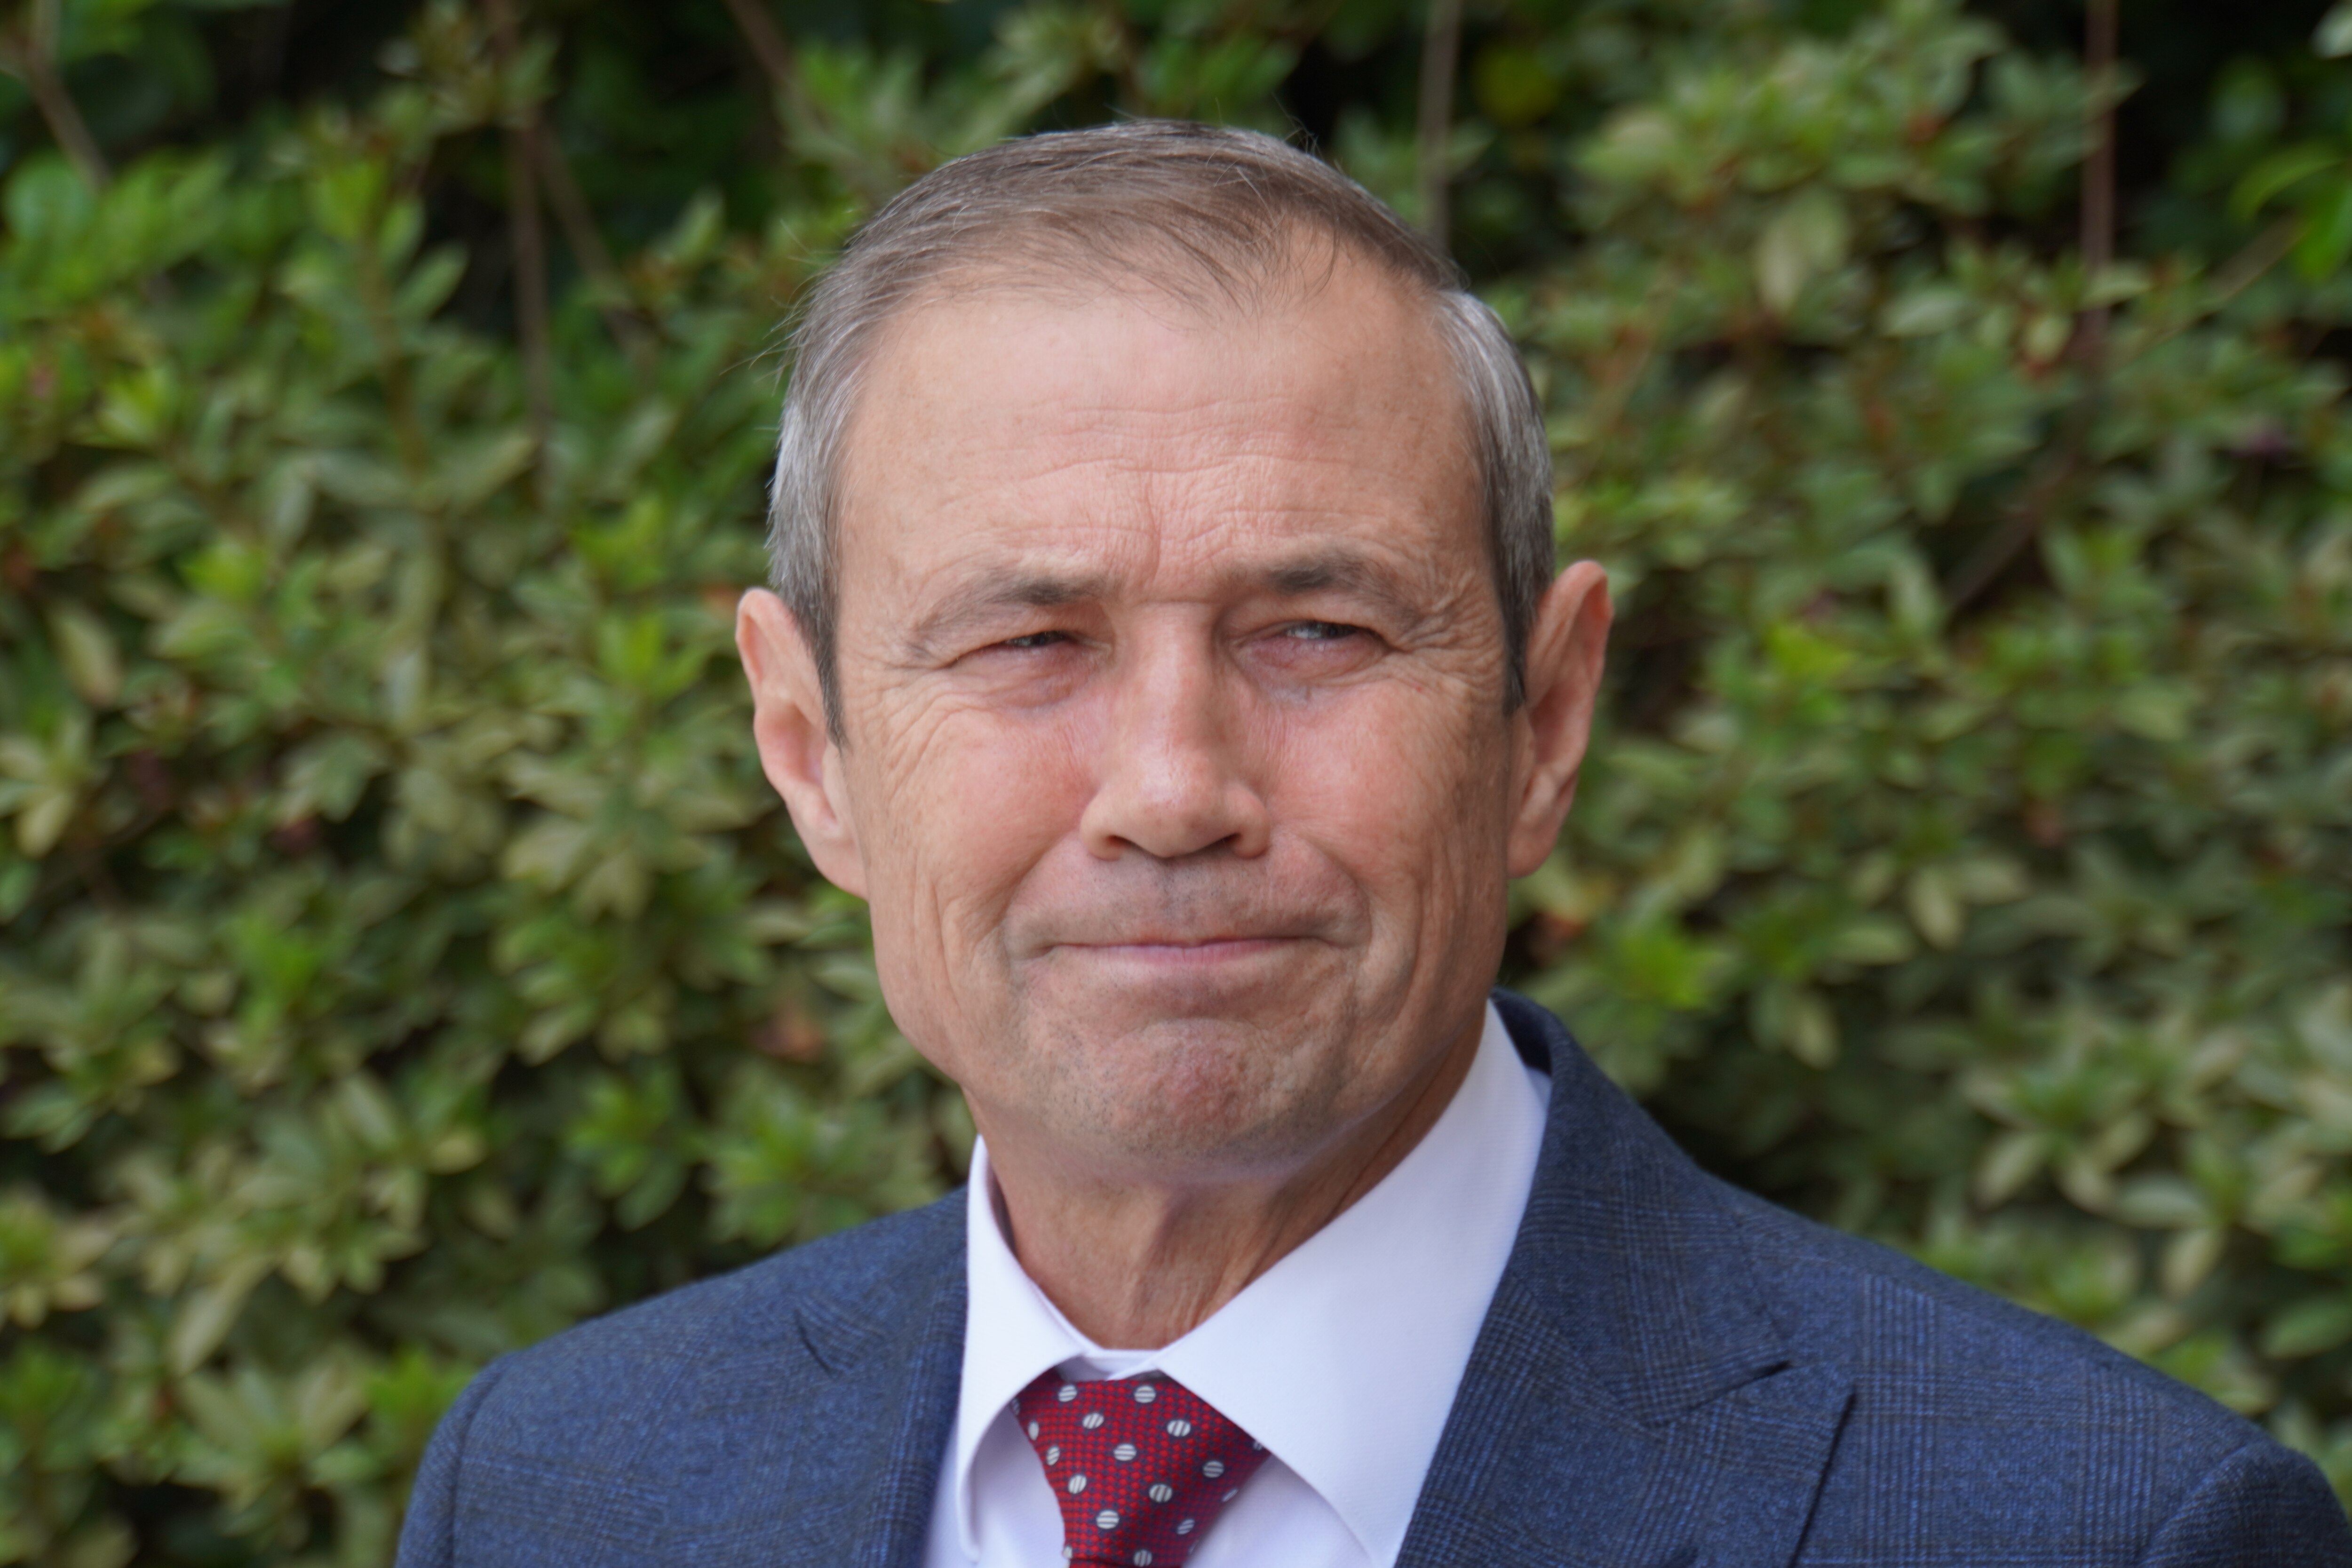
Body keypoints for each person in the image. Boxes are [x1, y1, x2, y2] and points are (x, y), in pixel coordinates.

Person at [395, 121, 2349, 1568]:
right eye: (1027, 642)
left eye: (1313, 634)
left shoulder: (2086, 1533)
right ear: (811, 752)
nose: (1172, 787)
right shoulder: (559, 1490)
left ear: (1542, 722)